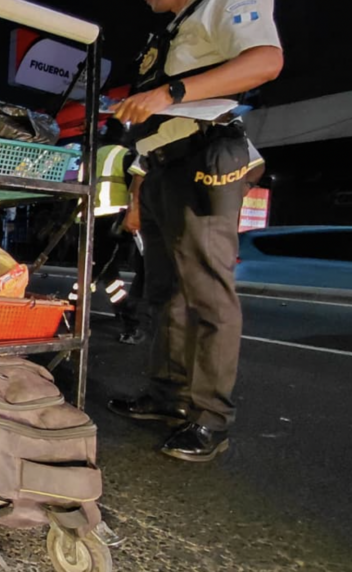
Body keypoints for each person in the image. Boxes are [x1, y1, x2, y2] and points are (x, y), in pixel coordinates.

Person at [108, 0, 283, 462]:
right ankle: (167, 397)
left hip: (205, 155)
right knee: (165, 291)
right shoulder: (173, 26)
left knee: (207, 291)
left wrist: (169, 93)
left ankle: (210, 418)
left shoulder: (223, 3)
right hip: (162, 165)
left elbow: (266, 61)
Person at [70, 123, 147, 344]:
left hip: (85, 220)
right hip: (112, 220)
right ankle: (126, 323)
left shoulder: (91, 156)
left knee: (102, 271)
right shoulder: (124, 155)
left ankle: (115, 312)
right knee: (98, 272)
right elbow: (135, 187)